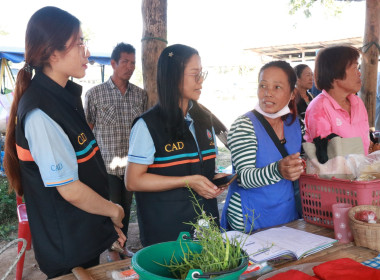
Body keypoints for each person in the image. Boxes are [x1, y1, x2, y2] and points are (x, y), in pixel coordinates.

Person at [3, 6, 126, 278]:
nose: (87, 52)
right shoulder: (40, 111)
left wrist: (106, 221)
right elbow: (69, 189)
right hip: (68, 253)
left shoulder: (64, 98)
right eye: (80, 43)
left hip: (83, 237)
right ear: (52, 53)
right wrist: (114, 210)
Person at [125, 44, 226, 246]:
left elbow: (201, 169)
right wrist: (187, 181)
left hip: (205, 227)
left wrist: (214, 180)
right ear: (173, 76)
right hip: (166, 232)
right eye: (194, 74)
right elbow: (133, 181)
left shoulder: (205, 119)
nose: (201, 81)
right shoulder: (148, 125)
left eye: (202, 73)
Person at [220, 61, 304, 233]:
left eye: (277, 87)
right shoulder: (244, 125)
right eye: (263, 85)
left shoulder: (295, 124)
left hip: (287, 213)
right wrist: (278, 170)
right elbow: (243, 178)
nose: (268, 93)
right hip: (249, 217)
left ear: (293, 93)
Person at [85, 43, 147, 259]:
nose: (130, 67)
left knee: (126, 208)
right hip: (106, 165)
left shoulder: (141, 96)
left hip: (132, 166)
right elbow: (88, 130)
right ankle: (112, 250)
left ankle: (123, 246)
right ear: (113, 63)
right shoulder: (95, 94)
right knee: (112, 209)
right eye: (125, 62)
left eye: (133, 63)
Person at [304, 46, 370, 154]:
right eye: (355, 68)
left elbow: (364, 145)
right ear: (335, 73)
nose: (359, 73)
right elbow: (328, 157)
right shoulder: (319, 108)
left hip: (361, 169)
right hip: (335, 170)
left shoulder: (358, 103)